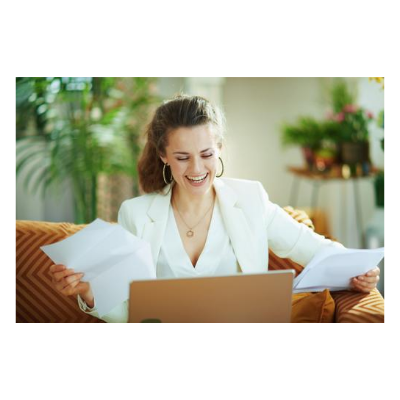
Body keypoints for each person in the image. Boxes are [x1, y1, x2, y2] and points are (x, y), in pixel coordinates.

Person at [49, 94, 380, 322]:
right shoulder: (136, 214)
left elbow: (312, 248)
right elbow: (128, 312)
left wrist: (357, 270)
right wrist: (90, 292)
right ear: (163, 155)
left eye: (207, 154)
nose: (196, 168)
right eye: (182, 157)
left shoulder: (250, 200)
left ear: (220, 148)